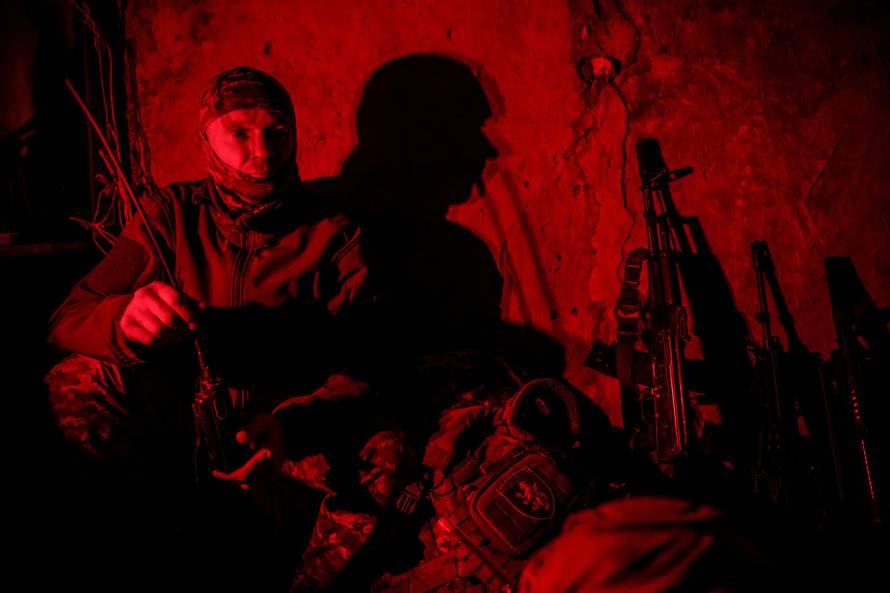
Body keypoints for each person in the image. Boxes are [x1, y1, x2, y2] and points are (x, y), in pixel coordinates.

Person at [44, 66, 402, 592]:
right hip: (179, 426)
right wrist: (123, 322)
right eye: (239, 132)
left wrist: (291, 427)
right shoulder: (168, 216)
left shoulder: (337, 236)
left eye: (276, 131)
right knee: (79, 379)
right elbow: (68, 319)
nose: (261, 152)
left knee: (390, 451)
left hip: (282, 438)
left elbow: (370, 363)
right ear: (206, 139)